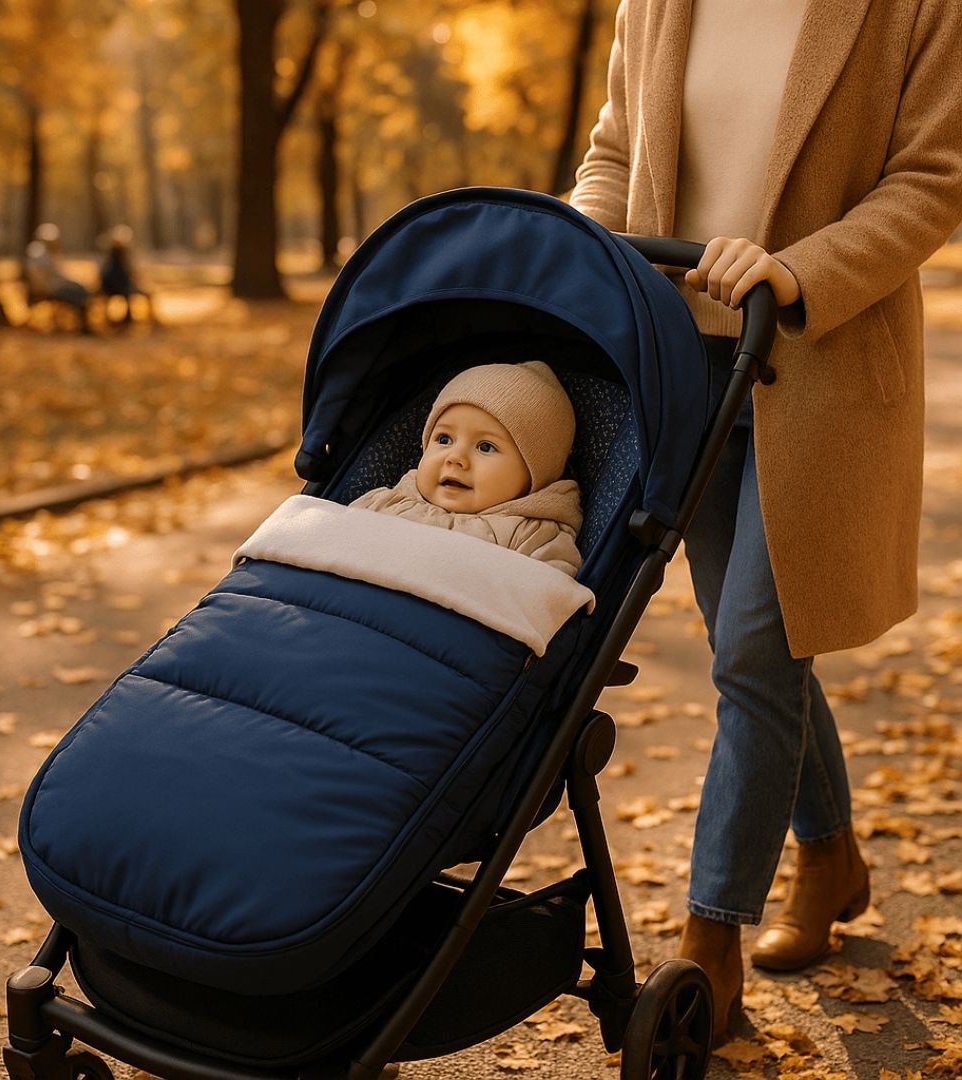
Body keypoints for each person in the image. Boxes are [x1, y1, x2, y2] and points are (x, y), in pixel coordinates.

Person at [569, 0, 962, 1043]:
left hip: (816, 355)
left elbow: (933, 179)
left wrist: (800, 271)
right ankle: (831, 856)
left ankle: (712, 938)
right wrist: (584, 249)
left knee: (752, 648)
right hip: (681, 370)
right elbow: (614, 151)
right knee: (758, 651)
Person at [352, 361, 583, 576]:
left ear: (535, 474)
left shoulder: (533, 536)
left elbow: (549, 597)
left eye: (485, 447)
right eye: (444, 439)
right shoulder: (384, 503)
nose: (456, 458)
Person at [25, 222, 92, 334]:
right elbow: (40, 279)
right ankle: (84, 325)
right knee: (78, 292)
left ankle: (84, 324)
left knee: (80, 288)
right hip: (50, 288)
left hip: (56, 285)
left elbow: (57, 273)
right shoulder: (38, 253)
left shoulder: (49, 253)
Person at [98, 225, 154, 325]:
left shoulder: (113, 257)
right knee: (130, 291)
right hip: (117, 288)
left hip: (116, 287)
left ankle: (129, 318)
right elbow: (128, 274)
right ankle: (128, 319)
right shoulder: (115, 259)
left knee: (133, 292)